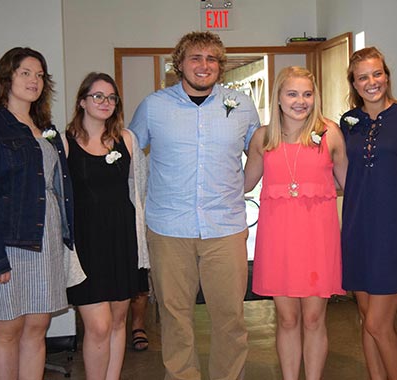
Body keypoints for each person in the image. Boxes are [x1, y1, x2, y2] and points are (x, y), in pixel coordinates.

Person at [129, 31, 260, 380]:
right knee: (175, 318)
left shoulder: (241, 105)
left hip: (226, 228)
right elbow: (127, 156)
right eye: (196, 58)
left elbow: (261, 152)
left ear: (220, 65)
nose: (204, 66)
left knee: (230, 317)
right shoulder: (154, 106)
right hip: (169, 229)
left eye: (212, 59)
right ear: (180, 64)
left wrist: (243, 187)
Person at [0, 47, 74, 379]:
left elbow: (56, 189)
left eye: (39, 75)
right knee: (6, 332)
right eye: (25, 72)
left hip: (45, 242)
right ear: (6, 76)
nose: (34, 81)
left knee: (37, 329)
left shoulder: (44, 127)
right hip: (3, 243)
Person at [244, 66, 347, 380]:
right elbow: (244, 184)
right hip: (278, 240)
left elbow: (352, 185)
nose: (300, 101)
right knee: (287, 319)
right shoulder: (263, 137)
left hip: (318, 237)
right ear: (278, 97)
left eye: (307, 94)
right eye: (292, 94)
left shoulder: (329, 132)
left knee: (314, 318)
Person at [340, 47, 397, 380]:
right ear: (355, 84)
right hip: (357, 227)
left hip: (394, 229)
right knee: (365, 317)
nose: (372, 82)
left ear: (386, 75)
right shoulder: (348, 122)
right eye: (363, 77)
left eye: (377, 74)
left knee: (378, 322)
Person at [64, 72, 149, 379]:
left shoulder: (126, 139)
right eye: (98, 96)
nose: (105, 102)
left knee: (117, 320)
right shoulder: (65, 142)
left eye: (111, 97)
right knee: (97, 326)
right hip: (87, 245)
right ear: (82, 101)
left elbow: (139, 189)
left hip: (122, 240)